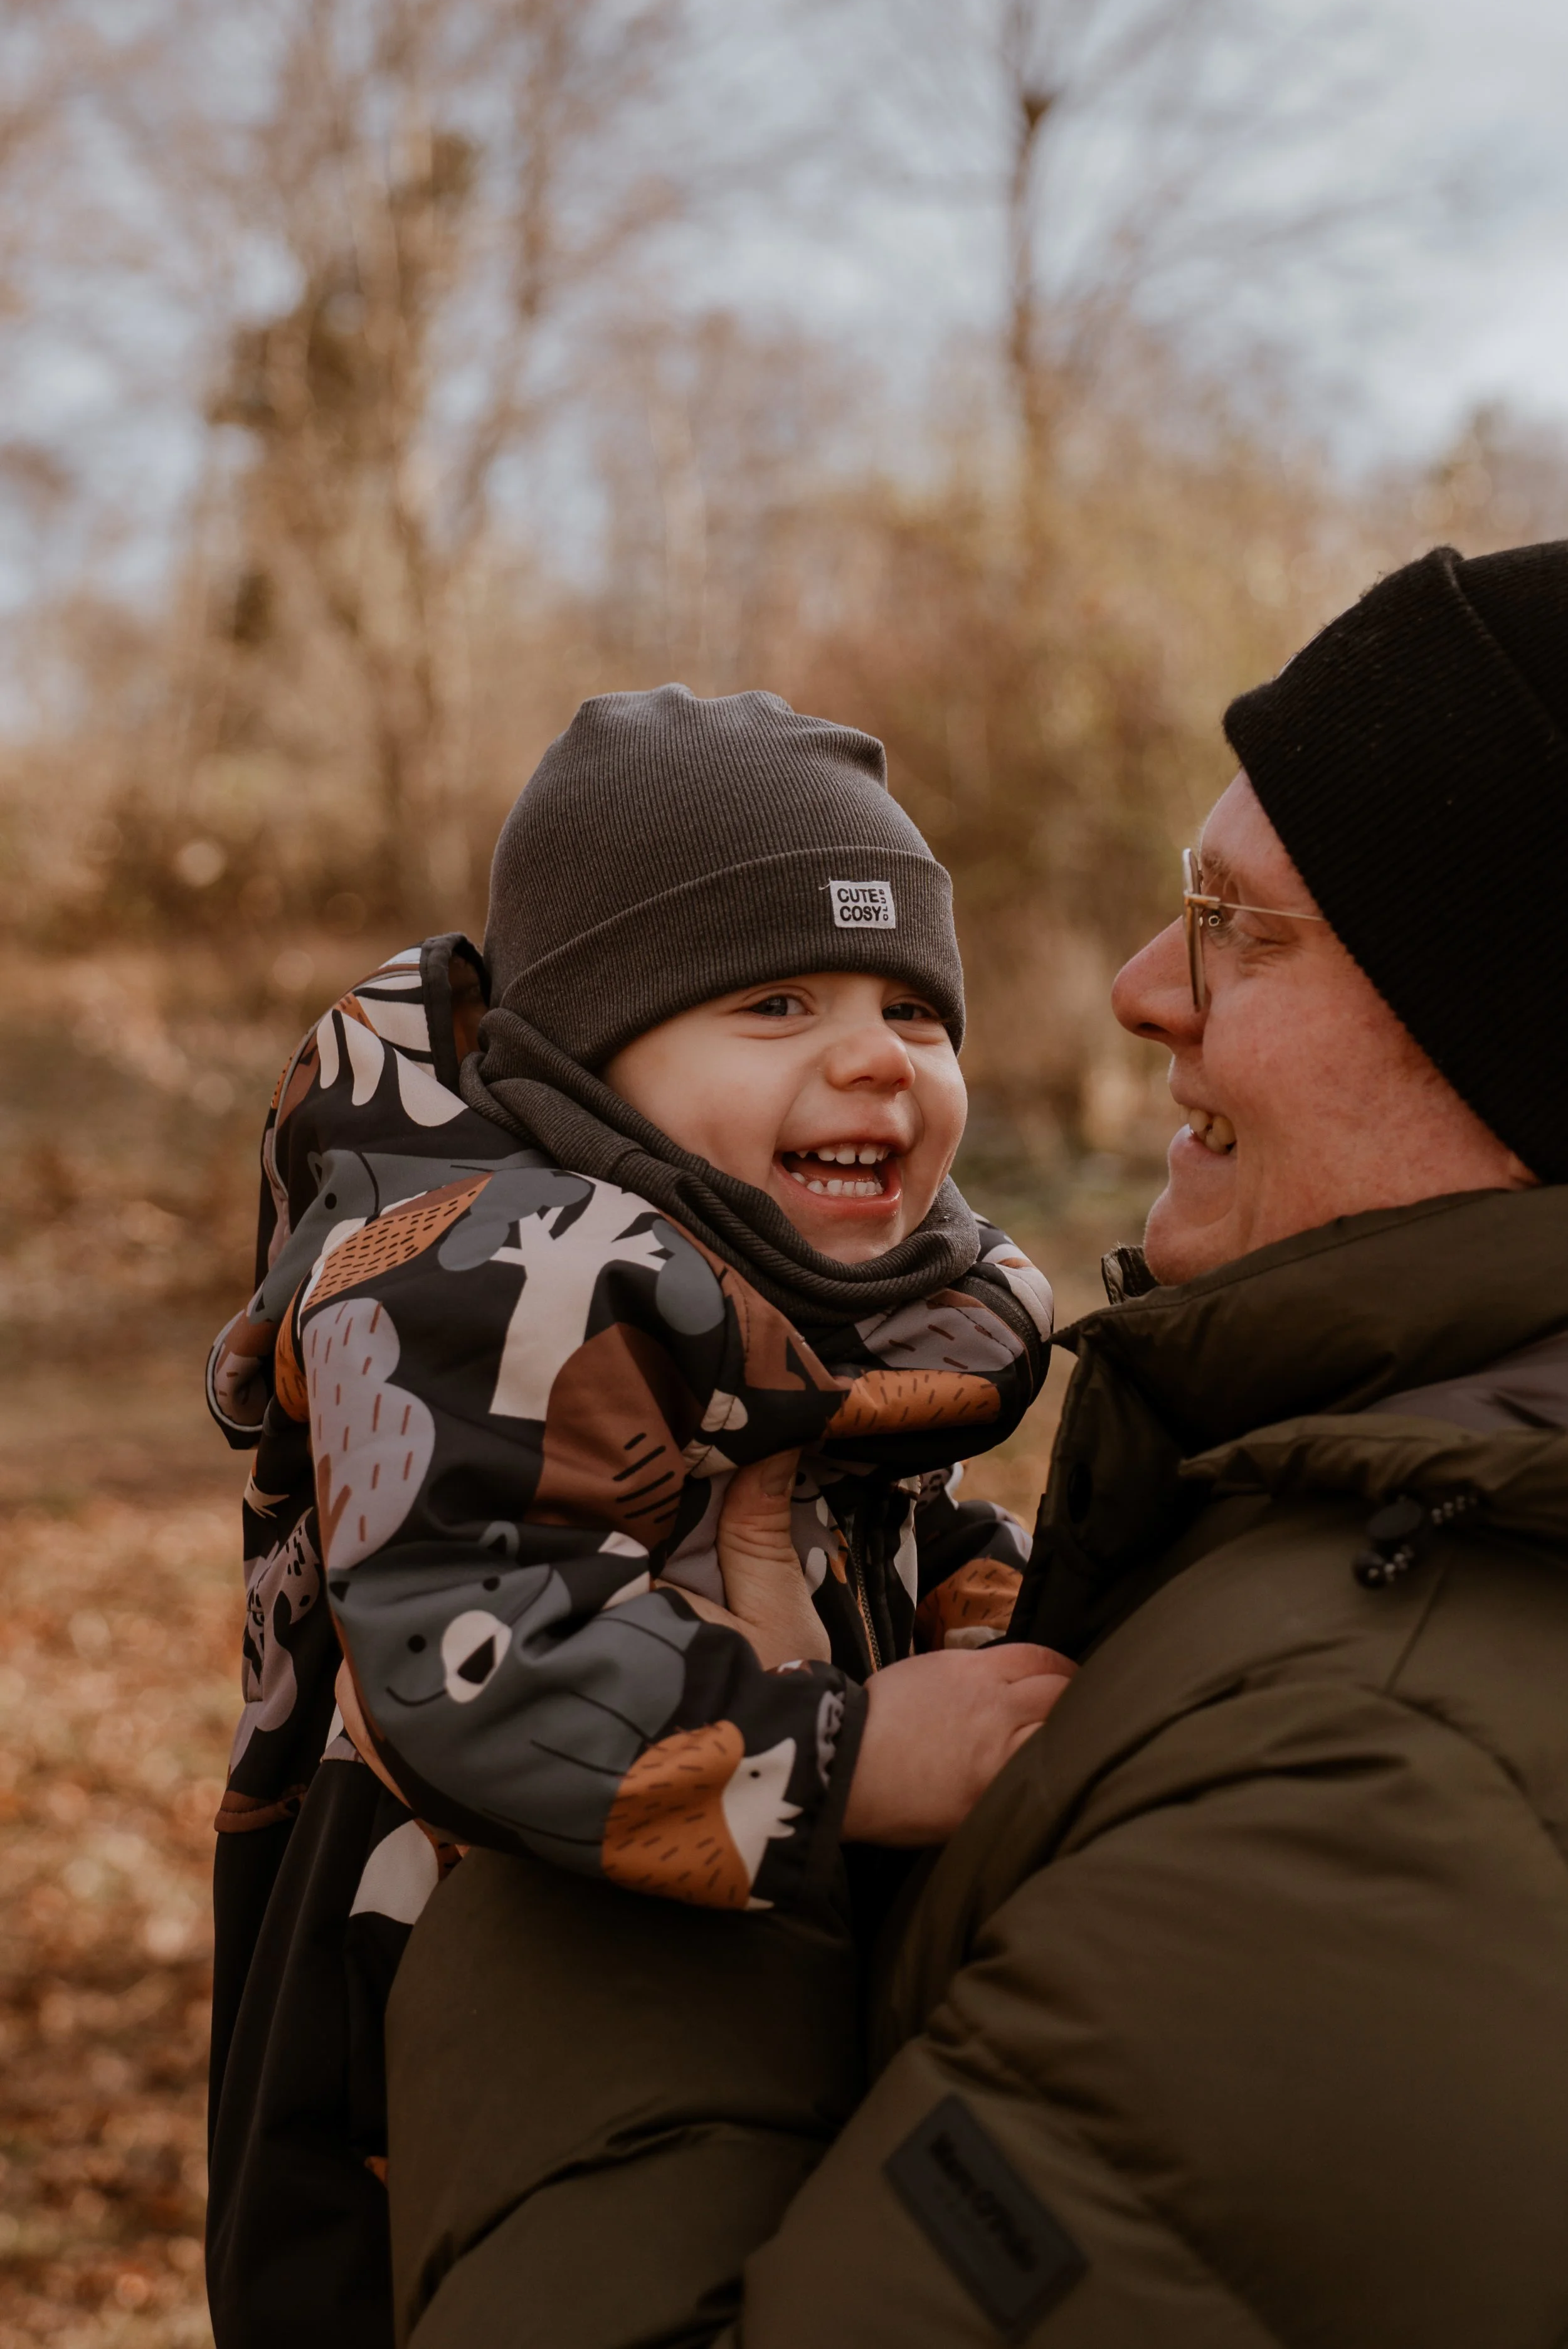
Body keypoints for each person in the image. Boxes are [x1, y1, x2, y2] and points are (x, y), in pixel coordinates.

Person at [386, 539, 1568, 2349]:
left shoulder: (1376, 1767)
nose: (1137, 985)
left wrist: (641, 1862)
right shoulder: (1333, 1506)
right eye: (772, 1003)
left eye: (1242, 924)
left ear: (1510, 1031)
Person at [201, 684, 1070, 2347]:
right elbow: (475, 1652)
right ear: (585, 1063)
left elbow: (906, 1529)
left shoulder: (823, 1297)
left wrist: (1001, 1633)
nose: (875, 1055)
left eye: (915, 1008)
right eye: (774, 1002)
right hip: (432, 2028)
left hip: (721, 1989)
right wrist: (845, 1754)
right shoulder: (479, 1281)